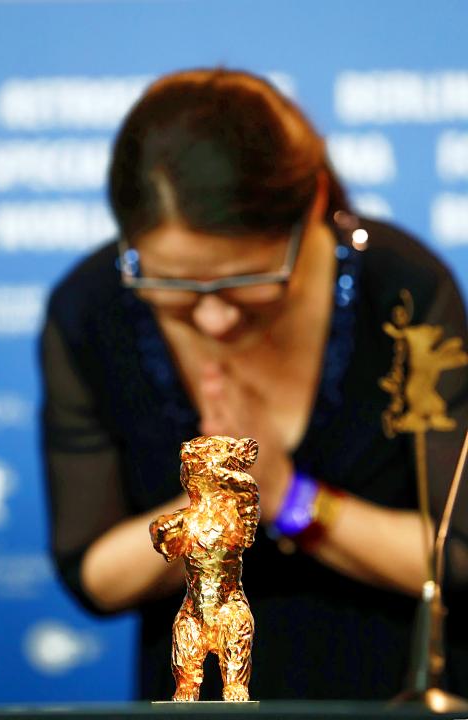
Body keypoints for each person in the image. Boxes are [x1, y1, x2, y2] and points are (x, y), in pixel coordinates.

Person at [39, 68, 468, 701]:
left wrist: (291, 497)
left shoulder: (401, 293)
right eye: (173, 286)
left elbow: (456, 557)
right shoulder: (91, 310)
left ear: (312, 207)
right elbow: (94, 573)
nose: (214, 318)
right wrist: (222, 502)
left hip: (392, 690)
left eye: (245, 280)